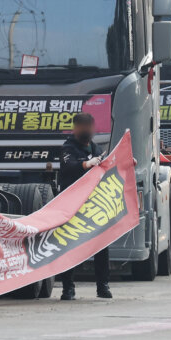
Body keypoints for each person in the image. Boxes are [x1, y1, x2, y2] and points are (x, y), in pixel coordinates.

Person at [58, 112, 112, 300]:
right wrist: (86, 164)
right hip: (71, 205)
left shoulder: (97, 149)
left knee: (100, 245)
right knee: (69, 245)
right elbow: (68, 166)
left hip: (93, 205)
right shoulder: (68, 148)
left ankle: (103, 286)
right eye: (82, 127)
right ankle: (68, 288)